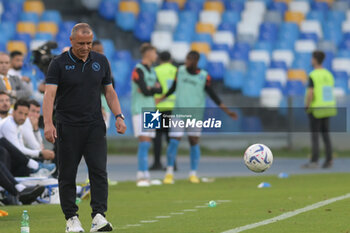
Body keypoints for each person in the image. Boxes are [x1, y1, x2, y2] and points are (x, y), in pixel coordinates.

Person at [43, 23, 126, 232]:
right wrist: (48, 123)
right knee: (67, 174)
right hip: (67, 126)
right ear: (71, 41)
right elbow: (49, 95)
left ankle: (99, 216)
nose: (86, 47)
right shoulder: (58, 63)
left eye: (89, 43)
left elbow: (109, 92)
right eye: (81, 43)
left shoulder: (101, 61)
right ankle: (71, 218)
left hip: (94, 125)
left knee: (99, 171)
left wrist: (119, 115)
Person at [158, 51, 237, 184]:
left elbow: (213, 95)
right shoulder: (180, 71)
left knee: (194, 142)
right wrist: (161, 98)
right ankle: (169, 173)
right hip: (179, 113)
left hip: (195, 115)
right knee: (174, 141)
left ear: (196, 61)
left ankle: (193, 173)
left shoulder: (204, 76)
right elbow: (173, 88)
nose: (187, 62)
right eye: (186, 59)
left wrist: (227, 111)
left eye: (189, 60)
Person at [0, 92, 55, 177]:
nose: (23, 117)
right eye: (33, 111)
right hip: (8, 158)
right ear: (13, 111)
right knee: (30, 161)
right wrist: (40, 153)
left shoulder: (19, 123)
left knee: (35, 159)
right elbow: (18, 149)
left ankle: (39, 171)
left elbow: (36, 147)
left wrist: (36, 129)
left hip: (19, 157)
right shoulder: (10, 123)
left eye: (37, 112)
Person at [131, 43, 162, 187]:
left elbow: (159, 88)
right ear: (148, 53)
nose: (156, 56)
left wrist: (151, 89)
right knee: (143, 143)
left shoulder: (153, 71)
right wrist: (151, 88)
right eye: (154, 53)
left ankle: (146, 176)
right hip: (140, 109)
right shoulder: (138, 70)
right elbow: (145, 90)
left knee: (148, 143)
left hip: (152, 110)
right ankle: (140, 175)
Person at [303, 51, 337, 169]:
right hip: (328, 107)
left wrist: (307, 105)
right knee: (326, 135)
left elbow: (311, 92)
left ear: (315, 60)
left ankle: (314, 161)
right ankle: (329, 160)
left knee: (315, 135)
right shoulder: (328, 74)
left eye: (312, 58)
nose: (311, 60)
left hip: (316, 108)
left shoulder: (313, 75)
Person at [150, 51, 177, 171]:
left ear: (159, 59)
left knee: (155, 137)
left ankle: (157, 163)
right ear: (170, 59)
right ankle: (172, 164)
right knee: (170, 137)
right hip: (174, 107)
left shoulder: (155, 70)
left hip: (155, 106)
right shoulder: (176, 70)